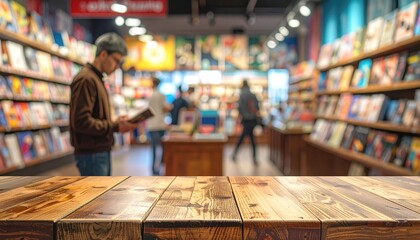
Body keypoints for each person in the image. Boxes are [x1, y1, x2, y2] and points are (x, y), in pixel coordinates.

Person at [70, 32, 138, 176]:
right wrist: (114, 126)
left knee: (103, 197)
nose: (117, 67)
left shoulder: (96, 78)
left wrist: (115, 122)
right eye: (115, 60)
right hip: (91, 153)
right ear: (103, 54)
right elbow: (81, 121)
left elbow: (93, 117)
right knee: (98, 198)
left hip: (98, 150)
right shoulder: (86, 79)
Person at [232, 79, 260, 166]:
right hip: (252, 119)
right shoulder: (253, 95)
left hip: (246, 119)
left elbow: (239, 107)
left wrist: (242, 115)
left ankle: (235, 154)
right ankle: (254, 157)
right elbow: (257, 107)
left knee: (245, 137)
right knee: (251, 138)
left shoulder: (242, 95)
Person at [146, 77, 171, 175]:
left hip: (151, 125)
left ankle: (153, 169)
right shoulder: (161, 95)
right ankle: (161, 166)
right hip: (160, 125)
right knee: (163, 148)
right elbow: (165, 108)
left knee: (153, 149)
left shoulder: (150, 96)